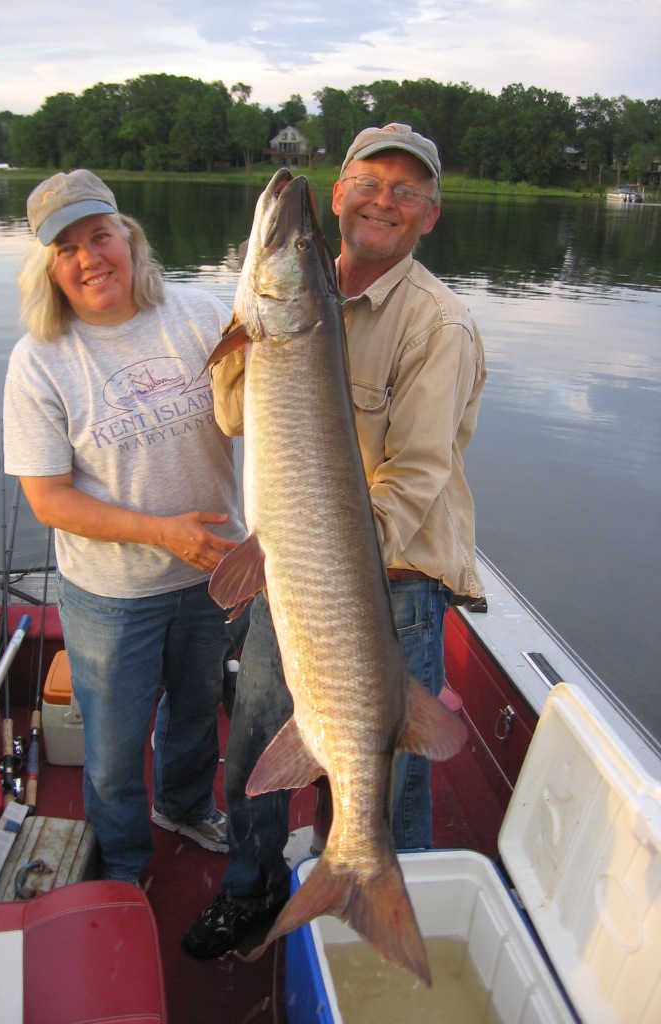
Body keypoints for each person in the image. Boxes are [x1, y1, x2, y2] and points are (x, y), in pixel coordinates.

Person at [182, 124, 486, 957]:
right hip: (295, 567)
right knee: (254, 740)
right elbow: (237, 417)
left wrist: (327, 555)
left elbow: (418, 476)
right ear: (344, 193)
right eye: (367, 182)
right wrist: (252, 329)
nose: (383, 200)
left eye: (407, 190)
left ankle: (378, 899)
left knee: (388, 766)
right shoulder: (286, 307)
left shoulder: (439, 326)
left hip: (393, 578)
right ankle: (250, 895)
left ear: (431, 215)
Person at [3, 169, 248, 884]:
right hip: (111, 594)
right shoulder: (39, 361)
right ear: (48, 267)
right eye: (68, 247)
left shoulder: (202, 315)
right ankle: (124, 861)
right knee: (113, 744)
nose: (90, 258)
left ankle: (183, 805)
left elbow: (281, 387)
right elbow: (49, 500)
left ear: (129, 239)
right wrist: (163, 532)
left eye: (100, 235)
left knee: (199, 711)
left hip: (211, 572)